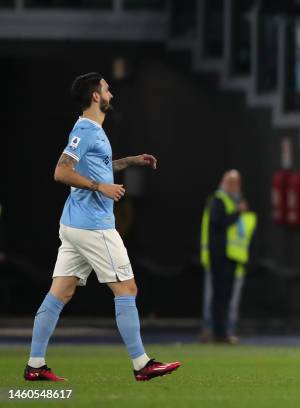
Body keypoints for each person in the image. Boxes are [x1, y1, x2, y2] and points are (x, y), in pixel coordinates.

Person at [23, 72, 180, 382]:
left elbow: (96, 166)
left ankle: (35, 365)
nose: (112, 94)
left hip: (74, 223)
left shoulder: (92, 131)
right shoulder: (85, 130)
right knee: (127, 288)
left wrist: (130, 161)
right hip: (93, 226)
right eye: (107, 89)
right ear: (96, 96)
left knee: (60, 293)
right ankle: (141, 364)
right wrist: (101, 187)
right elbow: (61, 171)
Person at [200, 170, 256, 343]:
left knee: (226, 297)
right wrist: (238, 213)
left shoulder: (237, 202)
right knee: (217, 296)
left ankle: (223, 332)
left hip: (233, 257)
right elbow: (219, 222)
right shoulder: (219, 200)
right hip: (220, 256)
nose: (235, 186)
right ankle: (216, 332)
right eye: (231, 182)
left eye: (237, 183)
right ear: (224, 183)